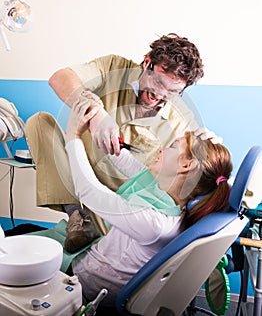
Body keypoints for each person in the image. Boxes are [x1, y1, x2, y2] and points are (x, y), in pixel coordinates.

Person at [25, 32, 221, 249]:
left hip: (122, 206)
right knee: (39, 122)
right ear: (147, 62)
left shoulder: (179, 119)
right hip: (76, 177)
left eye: (173, 91)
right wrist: (95, 111)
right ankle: (77, 217)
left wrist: (211, 148)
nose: (160, 94)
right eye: (158, 82)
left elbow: (199, 174)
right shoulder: (114, 67)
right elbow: (59, 78)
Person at [64, 97, 232, 307]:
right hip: (91, 259)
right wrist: (100, 128)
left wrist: (73, 135)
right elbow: (123, 159)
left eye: (172, 146)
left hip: (86, 286)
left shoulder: (155, 224)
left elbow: (87, 190)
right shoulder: (169, 198)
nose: (162, 149)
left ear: (186, 165)